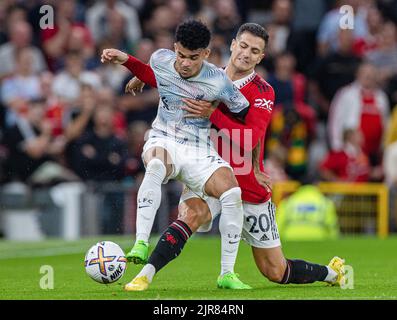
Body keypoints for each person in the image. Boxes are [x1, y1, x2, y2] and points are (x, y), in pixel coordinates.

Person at [122, 23, 346, 291]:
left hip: (246, 182)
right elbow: (172, 70)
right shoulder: (204, 72)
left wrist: (213, 115)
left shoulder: (263, 92)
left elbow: (251, 137)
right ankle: (144, 275)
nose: (246, 54)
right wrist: (144, 76)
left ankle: (331, 273)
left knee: (275, 270)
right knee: (191, 215)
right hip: (207, 170)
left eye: (255, 51)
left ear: (261, 57)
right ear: (232, 45)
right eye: (243, 46)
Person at [101, 20, 251, 290]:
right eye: (181, 55)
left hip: (198, 149)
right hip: (164, 137)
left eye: (193, 58)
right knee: (156, 164)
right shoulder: (161, 58)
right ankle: (140, 243)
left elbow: (241, 112)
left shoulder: (218, 81)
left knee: (231, 193)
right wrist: (126, 61)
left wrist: (212, 113)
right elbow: (153, 74)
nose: (184, 63)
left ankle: (226, 274)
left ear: (205, 54)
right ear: (174, 49)